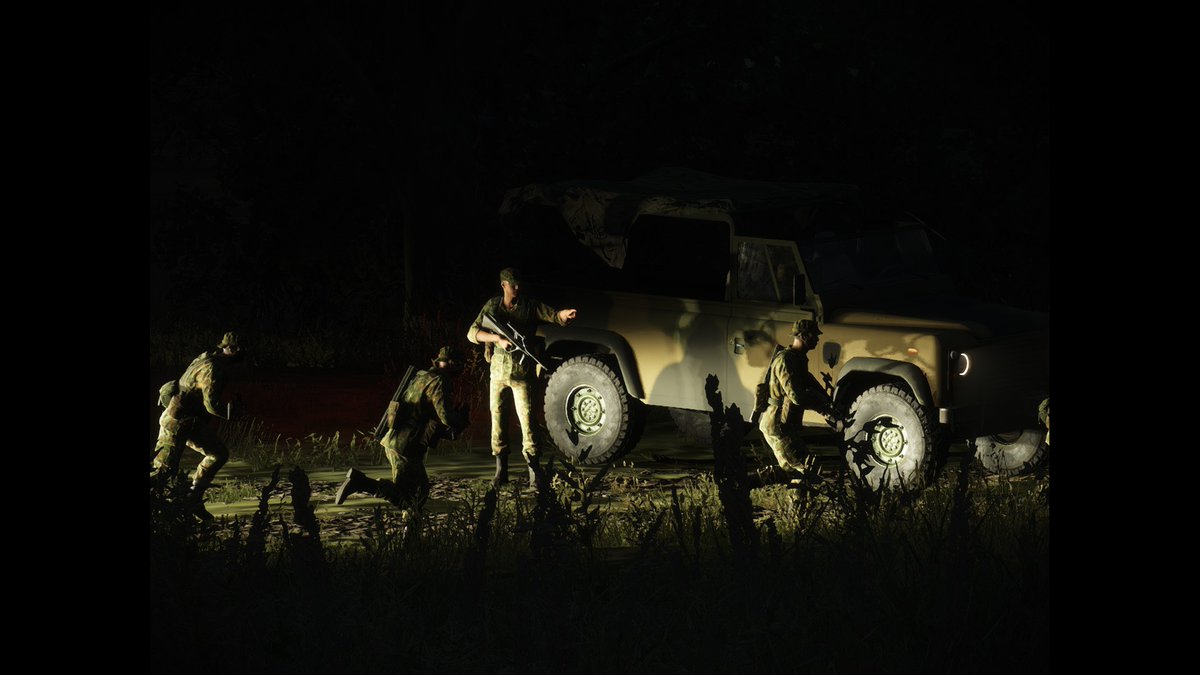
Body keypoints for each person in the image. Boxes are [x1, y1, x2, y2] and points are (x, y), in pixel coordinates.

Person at [467, 267, 576, 485]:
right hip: (497, 373)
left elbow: (553, 315)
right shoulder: (493, 306)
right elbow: (472, 333)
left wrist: (563, 316)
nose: (517, 288)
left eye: (519, 284)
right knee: (497, 419)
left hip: (521, 373)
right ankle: (501, 470)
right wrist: (497, 339)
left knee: (527, 420)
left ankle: (534, 469)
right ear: (503, 285)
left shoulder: (529, 305)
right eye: (513, 284)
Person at [335, 346, 468, 510]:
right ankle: (361, 483)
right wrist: (460, 420)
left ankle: (410, 532)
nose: (461, 370)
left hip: (396, 440)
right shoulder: (439, 382)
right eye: (460, 365)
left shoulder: (422, 376)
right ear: (452, 363)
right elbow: (446, 417)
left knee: (414, 493)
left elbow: (420, 414)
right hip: (406, 446)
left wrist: (444, 432)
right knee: (414, 498)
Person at [151, 331, 245, 519]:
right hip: (176, 422)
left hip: (189, 422)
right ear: (233, 349)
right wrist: (230, 413)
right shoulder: (213, 367)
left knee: (218, 454)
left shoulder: (205, 358)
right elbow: (211, 405)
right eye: (240, 351)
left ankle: (193, 501)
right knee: (163, 470)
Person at [751, 319, 840, 488]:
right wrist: (822, 405)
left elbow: (807, 382)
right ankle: (743, 484)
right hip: (777, 425)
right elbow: (796, 397)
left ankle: (744, 483)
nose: (818, 339)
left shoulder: (799, 359)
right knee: (806, 468)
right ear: (804, 336)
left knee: (790, 470)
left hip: (783, 424)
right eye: (815, 335)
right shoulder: (787, 360)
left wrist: (827, 400)